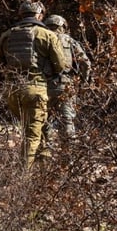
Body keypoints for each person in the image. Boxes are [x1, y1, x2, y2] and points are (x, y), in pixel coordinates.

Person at [0, 0, 69, 168]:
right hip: (35, 89)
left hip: (12, 90)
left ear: (21, 14)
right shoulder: (47, 35)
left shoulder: (8, 34)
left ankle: (42, 167)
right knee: (32, 136)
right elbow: (60, 65)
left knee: (35, 130)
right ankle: (23, 180)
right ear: (39, 15)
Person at [43, 14, 91, 145]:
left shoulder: (40, 39)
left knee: (44, 121)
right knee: (67, 121)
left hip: (44, 86)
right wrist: (83, 81)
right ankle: (68, 155)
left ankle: (45, 152)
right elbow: (86, 63)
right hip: (65, 86)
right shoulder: (70, 41)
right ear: (63, 26)